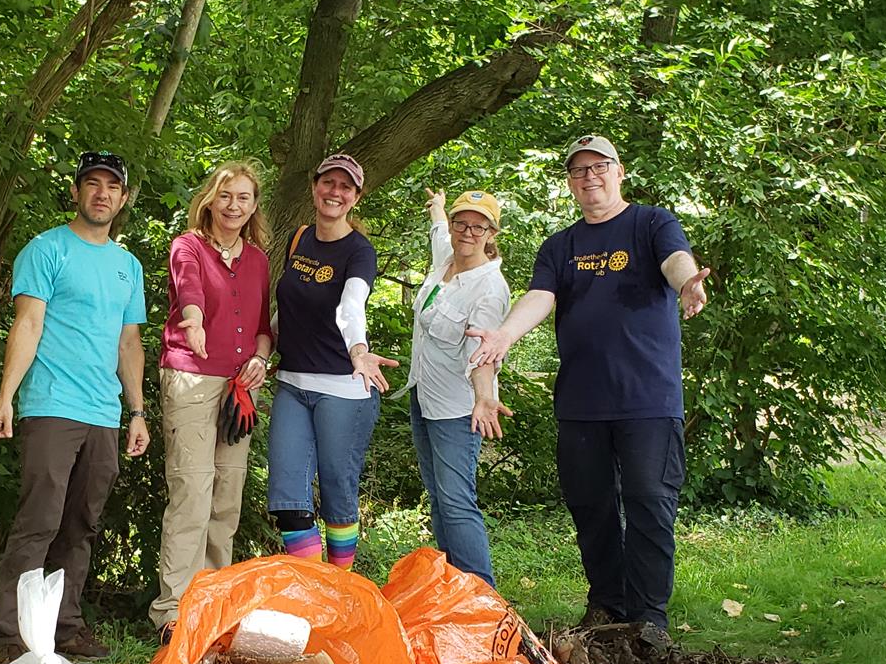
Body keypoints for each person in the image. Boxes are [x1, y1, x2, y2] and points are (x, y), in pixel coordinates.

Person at [468, 135, 711, 637]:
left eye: (600, 166)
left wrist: (687, 282)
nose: (590, 176)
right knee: (591, 508)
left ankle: (649, 619)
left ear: (619, 172)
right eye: (579, 170)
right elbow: (540, 296)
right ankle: (607, 604)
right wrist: (504, 335)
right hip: (581, 402)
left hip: (648, 399)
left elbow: (675, 261)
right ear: (571, 183)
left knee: (649, 504)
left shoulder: (651, 223)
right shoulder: (561, 246)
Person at [0, 150, 150, 664]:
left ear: (123, 199)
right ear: (77, 191)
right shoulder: (46, 250)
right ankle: (11, 635)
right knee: (40, 519)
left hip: (104, 413)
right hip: (52, 404)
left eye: (112, 187)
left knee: (82, 523)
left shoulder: (127, 267)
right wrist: (6, 396)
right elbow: (28, 324)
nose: (102, 194)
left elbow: (128, 342)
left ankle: (64, 627)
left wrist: (137, 411)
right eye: (93, 184)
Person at [152, 161, 274, 640]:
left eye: (243, 197)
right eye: (225, 195)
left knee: (226, 498)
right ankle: (173, 612)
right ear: (210, 199)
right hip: (192, 378)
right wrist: (195, 321)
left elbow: (263, 328)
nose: (233, 206)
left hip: (241, 387)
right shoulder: (188, 246)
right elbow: (190, 291)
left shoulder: (259, 260)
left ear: (254, 205)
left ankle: (211, 605)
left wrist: (261, 359)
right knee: (192, 493)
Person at [267, 153, 398, 571]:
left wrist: (359, 351)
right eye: (328, 182)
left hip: (343, 390)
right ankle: (313, 589)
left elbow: (351, 306)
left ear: (356, 197)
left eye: (345, 187)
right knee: (288, 498)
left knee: (338, 496)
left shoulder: (359, 251)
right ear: (314, 187)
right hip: (292, 384)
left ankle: (339, 587)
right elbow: (287, 307)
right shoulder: (298, 238)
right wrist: (259, 352)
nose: (334, 192)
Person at [392, 189, 511, 587]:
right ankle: (453, 590)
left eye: (479, 227)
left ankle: (483, 597)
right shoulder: (447, 257)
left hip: (459, 409)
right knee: (439, 498)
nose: (467, 232)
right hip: (423, 395)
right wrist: (439, 208)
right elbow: (439, 231)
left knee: (456, 502)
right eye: (462, 223)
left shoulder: (489, 288)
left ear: (491, 233)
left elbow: (483, 352)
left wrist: (484, 397)